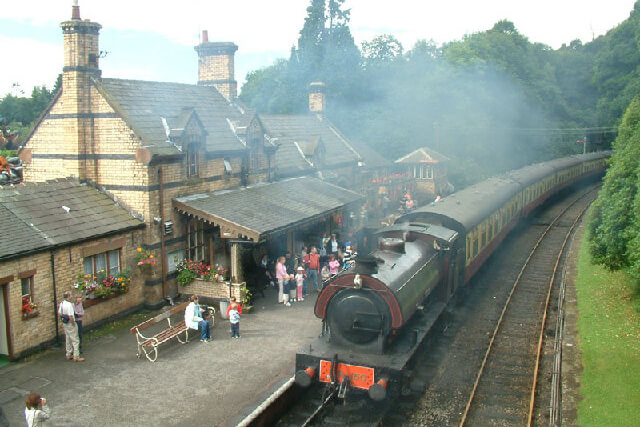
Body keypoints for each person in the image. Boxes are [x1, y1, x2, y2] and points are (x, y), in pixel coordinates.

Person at [58, 291, 84, 362]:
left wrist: (64, 317)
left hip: (65, 323)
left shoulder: (62, 303)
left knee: (68, 338)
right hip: (70, 323)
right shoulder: (69, 305)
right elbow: (71, 316)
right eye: (71, 295)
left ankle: (68, 354)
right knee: (75, 340)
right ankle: (76, 356)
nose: (72, 296)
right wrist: (73, 323)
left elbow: (59, 313)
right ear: (69, 296)